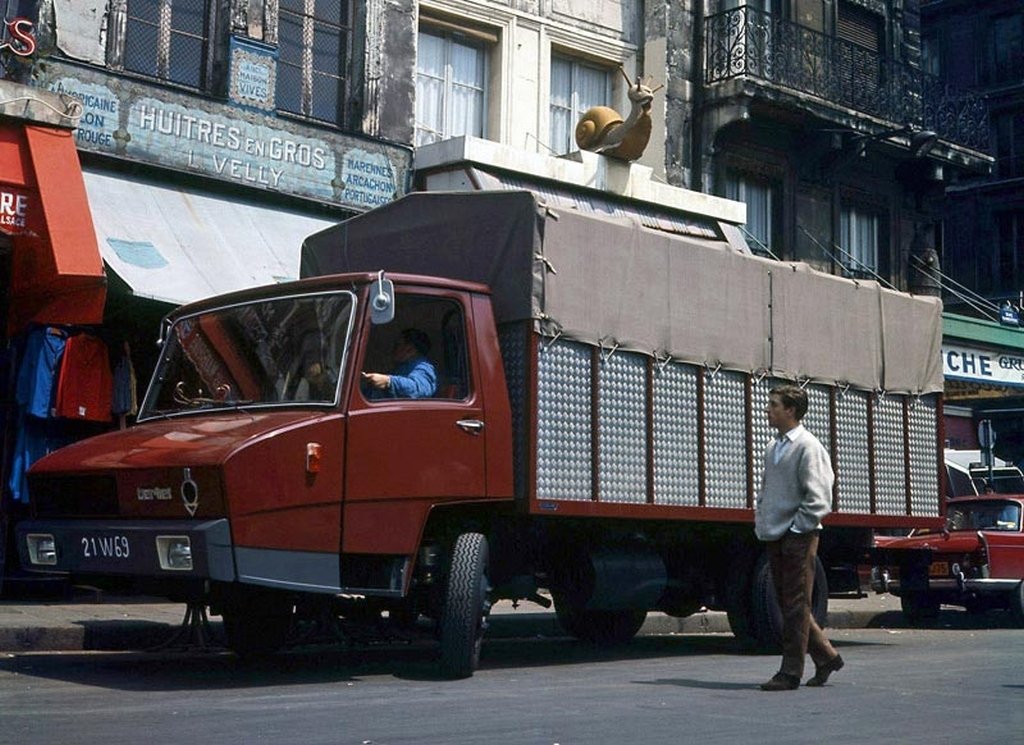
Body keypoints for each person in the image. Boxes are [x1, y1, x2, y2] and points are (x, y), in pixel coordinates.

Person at [755, 384, 844, 691]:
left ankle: (790, 672)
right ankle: (827, 656)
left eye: (774, 404)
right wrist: (763, 519)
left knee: (795, 603)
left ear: (790, 410)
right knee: (789, 603)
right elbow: (768, 490)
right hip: (775, 533)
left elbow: (820, 496)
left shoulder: (808, 446)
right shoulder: (774, 446)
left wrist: (797, 529)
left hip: (798, 535)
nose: (768, 409)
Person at [362, 328, 437, 399]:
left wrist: (388, 381)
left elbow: (418, 388)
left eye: (397, 345)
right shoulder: (401, 367)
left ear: (409, 349)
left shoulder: (423, 367)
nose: (393, 349)